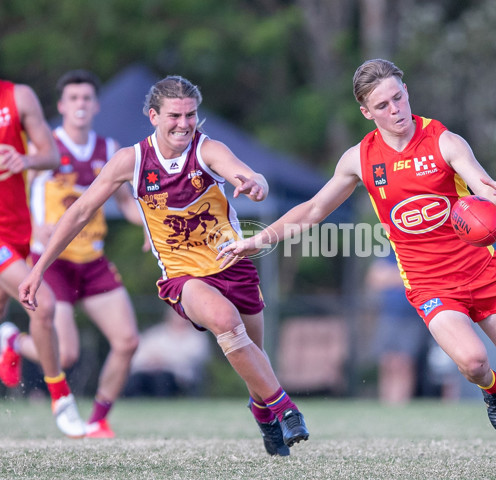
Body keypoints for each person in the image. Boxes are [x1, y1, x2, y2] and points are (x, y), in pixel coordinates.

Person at [217, 59, 496, 470]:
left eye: (398, 98)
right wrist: (257, 240)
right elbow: (313, 209)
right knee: (474, 363)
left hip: (482, 271)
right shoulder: (360, 158)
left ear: (406, 92)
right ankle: (492, 391)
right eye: (382, 105)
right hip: (429, 283)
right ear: (366, 112)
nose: (395, 110)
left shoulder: (444, 140)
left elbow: (482, 187)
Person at [18, 75, 309, 456]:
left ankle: (262, 410)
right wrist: (38, 269)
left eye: (190, 115)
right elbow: (80, 212)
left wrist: (254, 183)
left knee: (254, 354)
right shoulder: (131, 160)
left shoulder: (207, 150)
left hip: (233, 265)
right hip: (183, 276)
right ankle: (286, 409)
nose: (184, 124)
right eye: (175, 115)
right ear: (153, 116)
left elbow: (247, 174)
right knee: (224, 321)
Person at [7, 70, 143, 438]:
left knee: (128, 341)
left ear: (96, 105)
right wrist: (34, 227)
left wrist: (148, 226)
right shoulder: (46, 146)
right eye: (74, 98)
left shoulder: (109, 149)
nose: (81, 104)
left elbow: (125, 203)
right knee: (65, 354)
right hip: (51, 262)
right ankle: (11, 341)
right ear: (61, 105)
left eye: (87, 98)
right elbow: (20, 189)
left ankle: (98, 419)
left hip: (92, 259)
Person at [0, 79, 86, 438]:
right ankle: (61, 398)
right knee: (43, 304)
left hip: (20, 230)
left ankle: (7, 340)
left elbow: (51, 154)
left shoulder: (17, 96)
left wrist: (24, 158)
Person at [365, 253, 459, 404]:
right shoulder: (390, 251)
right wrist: (403, 276)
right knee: (387, 362)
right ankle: (386, 404)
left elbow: (423, 278)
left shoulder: (417, 250)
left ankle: (401, 404)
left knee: (404, 362)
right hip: (389, 315)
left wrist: (391, 276)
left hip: (412, 315)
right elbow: (374, 279)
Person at [123, 307, 211, 397]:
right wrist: (150, 362)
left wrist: (164, 361)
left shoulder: (196, 337)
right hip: (149, 372)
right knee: (135, 380)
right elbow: (139, 353)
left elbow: (194, 357)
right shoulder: (156, 333)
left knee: (162, 380)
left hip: (178, 377)